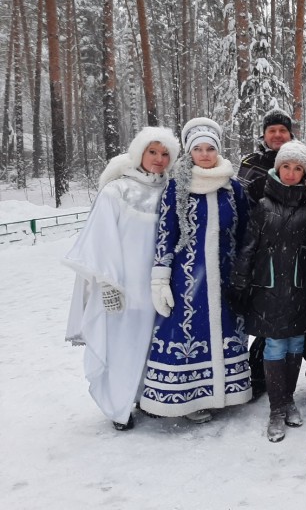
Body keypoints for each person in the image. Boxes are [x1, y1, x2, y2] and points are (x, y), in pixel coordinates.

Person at [64, 127, 180, 431]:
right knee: (122, 345)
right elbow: (100, 240)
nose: (158, 159)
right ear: (139, 152)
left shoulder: (171, 190)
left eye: (165, 153)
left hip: (156, 286)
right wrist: (107, 283)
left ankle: (145, 397)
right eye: (152, 151)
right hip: (124, 286)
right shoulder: (117, 190)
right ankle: (118, 406)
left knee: (149, 345)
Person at [141, 117, 252, 423]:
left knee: (228, 328)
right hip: (187, 280)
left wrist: (246, 271)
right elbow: (166, 234)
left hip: (227, 276)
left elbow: (246, 234)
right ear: (189, 152)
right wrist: (160, 277)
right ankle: (186, 398)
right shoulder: (176, 187)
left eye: (210, 148)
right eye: (198, 149)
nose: (204, 154)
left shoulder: (234, 188)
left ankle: (226, 391)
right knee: (186, 332)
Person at [230, 141, 306, 442]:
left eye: (297, 168)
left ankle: (288, 400)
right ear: (277, 169)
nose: (290, 173)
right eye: (286, 167)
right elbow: (248, 248)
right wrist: (239, 283)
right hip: (269, 288)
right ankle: (276, 408)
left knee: (296, 345)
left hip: (299, 289)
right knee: (274, 346)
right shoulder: (262, 206)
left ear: (304, 173)